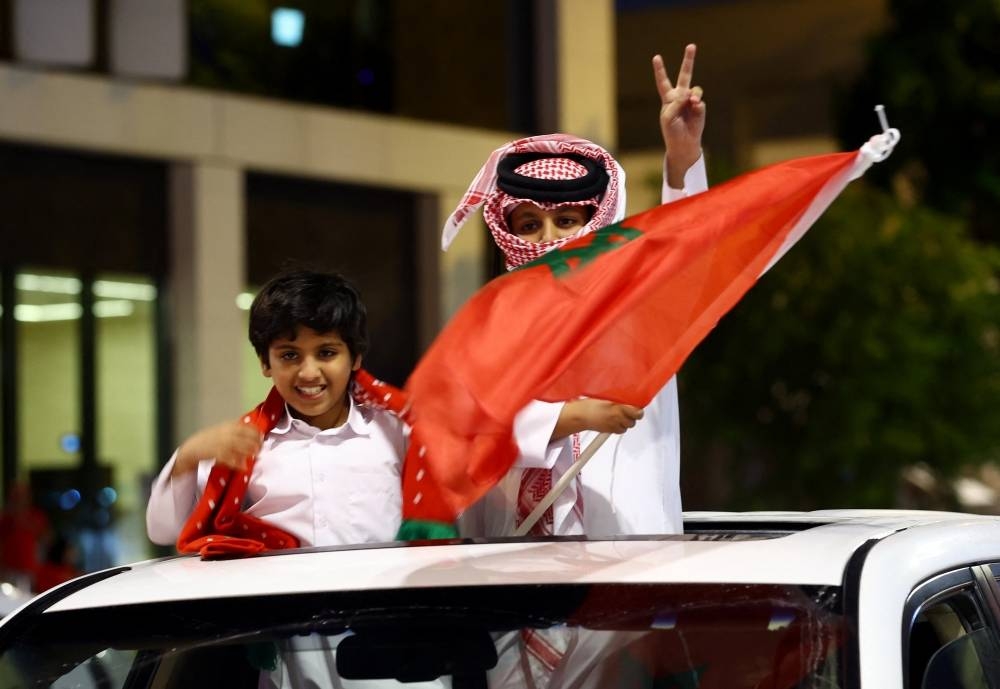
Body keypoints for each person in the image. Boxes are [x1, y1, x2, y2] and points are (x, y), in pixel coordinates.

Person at [444, 45, 708, 539]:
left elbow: (691, 253)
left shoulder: (639, 313)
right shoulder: (484, 328)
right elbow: (466, 435)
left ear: (597, 223)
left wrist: (683, 159)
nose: (549, 240)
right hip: (510, 567)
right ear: (507, 233)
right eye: (530, 224)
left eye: (566, 221)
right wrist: (572, 417)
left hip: (626, 571)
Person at [145, 269, 407, 548]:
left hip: (378, 591)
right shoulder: (240, 445)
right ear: (265, 363)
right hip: (275, 590)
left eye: (326, 353)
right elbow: (163, 532)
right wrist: (187, 457)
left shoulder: (395, 432)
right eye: (290, 355)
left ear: (355, 357)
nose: (308, 372)